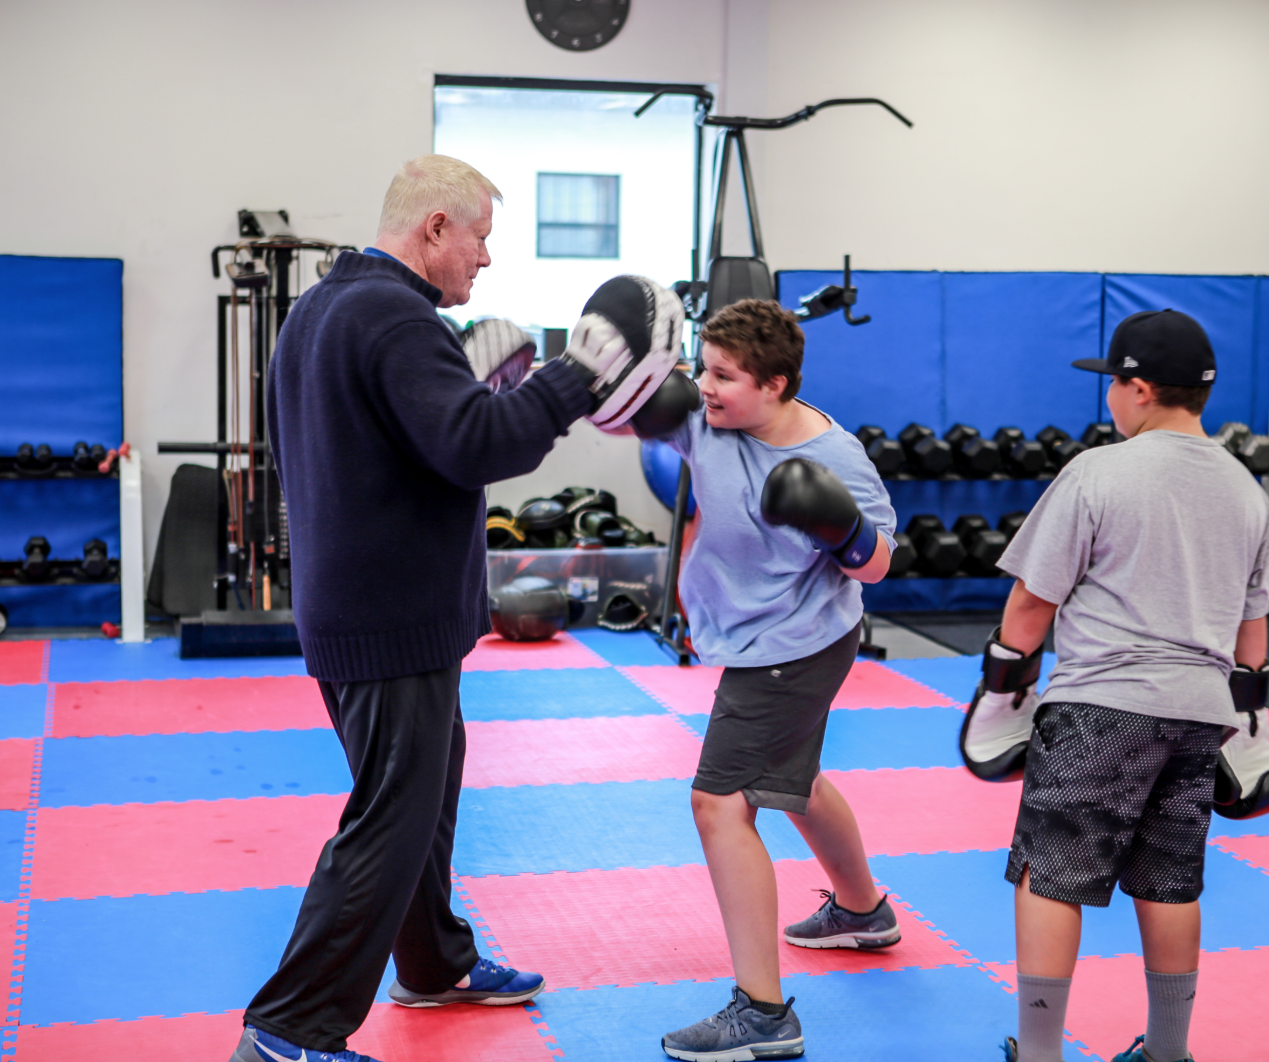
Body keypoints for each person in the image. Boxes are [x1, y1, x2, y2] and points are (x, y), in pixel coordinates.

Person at [231, 155, 679, 1062]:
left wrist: (491, 391)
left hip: (366, 606)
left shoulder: (322, 308)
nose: (484, 260)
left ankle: (433, 965)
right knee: (389, 819)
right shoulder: (394, 317)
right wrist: (572, 376)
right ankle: (289, 1030)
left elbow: (412, 446)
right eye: (477, 237)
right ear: (434, 227)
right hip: (387, 617)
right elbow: (475, 446)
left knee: (424, 801)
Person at [973, 310, 1269, 1062]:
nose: (1110, 398)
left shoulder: (1098, 472)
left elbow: (1030, 603)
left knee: (1051, 876)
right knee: (1170, 882)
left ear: (1138, 388)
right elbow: (1254, 632)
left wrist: (1000, 697)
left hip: (1100, 710)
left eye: (1114, 384)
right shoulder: (1246, 490)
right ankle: (1169, 1052)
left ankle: (1040, 1052)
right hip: (1200, 716)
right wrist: (1251, 729)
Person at [654, 299, 898, 1062]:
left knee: (720, 801)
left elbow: (883, 563)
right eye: (703, 368)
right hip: (747, 633)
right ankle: (863, 910)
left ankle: (763, 1012)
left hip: (797, 643)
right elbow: (624, 412)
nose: (707, 387)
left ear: (777, 385)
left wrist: (841, 528)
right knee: (793, 778)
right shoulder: (704, 417)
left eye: (725, 376)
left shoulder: (838, 458)